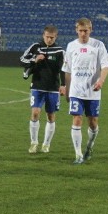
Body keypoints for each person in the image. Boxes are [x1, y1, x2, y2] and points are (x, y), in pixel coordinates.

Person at [61, 18, 108, 164]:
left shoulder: (98, 45)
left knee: (93, 122)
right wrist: (67, 88)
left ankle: (89, 147)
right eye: (81, 30)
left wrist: (101, 81)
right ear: (76, 30)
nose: (83, 33)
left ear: (91, 30)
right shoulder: (71, 46)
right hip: (77, 91)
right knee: (77, 119)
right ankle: (78, 154)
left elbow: (105, 66)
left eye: (86, 30)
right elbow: (68, 71)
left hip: (93, 91)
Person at [19, 25, 66, 154]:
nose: (49, 39)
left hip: (53, 88)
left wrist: (64, 85)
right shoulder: (35, 47)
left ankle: (46, 144)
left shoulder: (60, 51)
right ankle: (34, 142)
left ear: (56, 37)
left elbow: (64, 69)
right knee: (35, 113)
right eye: (47, 37)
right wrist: (35, 59)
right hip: (37, 86)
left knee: (51, 116)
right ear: (43, 35)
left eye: (52, 37)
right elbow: (22, 60)